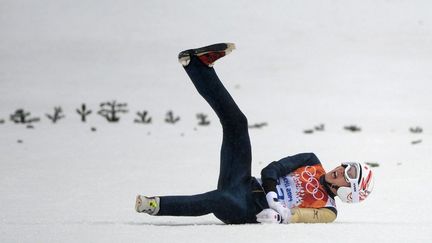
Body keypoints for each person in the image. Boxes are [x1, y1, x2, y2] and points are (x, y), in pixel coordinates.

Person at [135, 43, 375, 224]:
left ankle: (154, 204)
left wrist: (281, 216)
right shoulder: (312, 161)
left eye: (350, 173)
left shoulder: (328, 211)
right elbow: (271, 169)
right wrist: (272, 194)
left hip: (245, 208)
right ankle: (198, 66)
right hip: (243, 182)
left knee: (217, 199)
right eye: (347, 165)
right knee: (237, 123)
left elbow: (300, 216)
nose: (342, 169)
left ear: (350, 191)